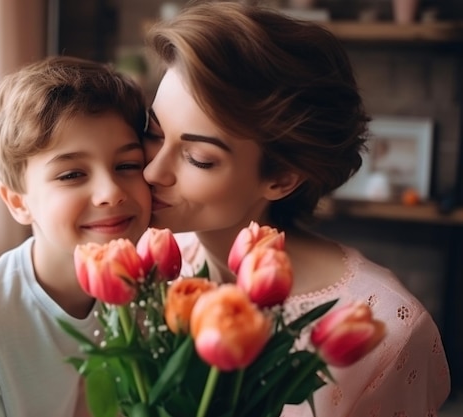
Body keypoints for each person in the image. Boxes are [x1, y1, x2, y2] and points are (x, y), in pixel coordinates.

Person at [141, 2, 450, 416]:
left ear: (282, 178)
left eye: (198, 157)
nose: (153, 170)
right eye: (154, 133)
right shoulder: (147, 266)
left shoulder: (386, 328)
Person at [0, 56, 151, 417]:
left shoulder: (159, 294)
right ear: (18, 202)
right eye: (72, 174)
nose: (110, 191)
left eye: (127, 166)